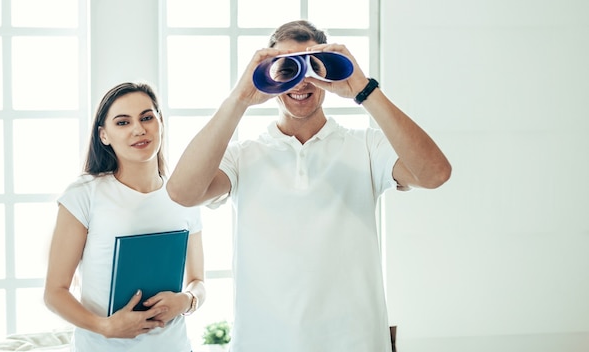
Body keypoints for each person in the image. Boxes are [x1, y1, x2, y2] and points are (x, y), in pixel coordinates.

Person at [167, 20, 452, 352]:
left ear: (328, 72)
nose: (301, 80)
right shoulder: (244, 156)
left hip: (355, 342)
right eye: (287, 67)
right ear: (268, 74)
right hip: (264, 343)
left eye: (312, 65)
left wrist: (363, 89)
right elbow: (182, 192)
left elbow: (435, 174)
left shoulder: (365, 147)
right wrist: (240, 98)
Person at [44, 82, 205, 352]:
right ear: (104, 135)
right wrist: (104, 327)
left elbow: (198, 282)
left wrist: (186, 301)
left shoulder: (184, 194)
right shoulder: (84, 195)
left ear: (160, 122)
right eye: (122, 122)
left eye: (146, 117)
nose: (138, 129)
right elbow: (54, 293)